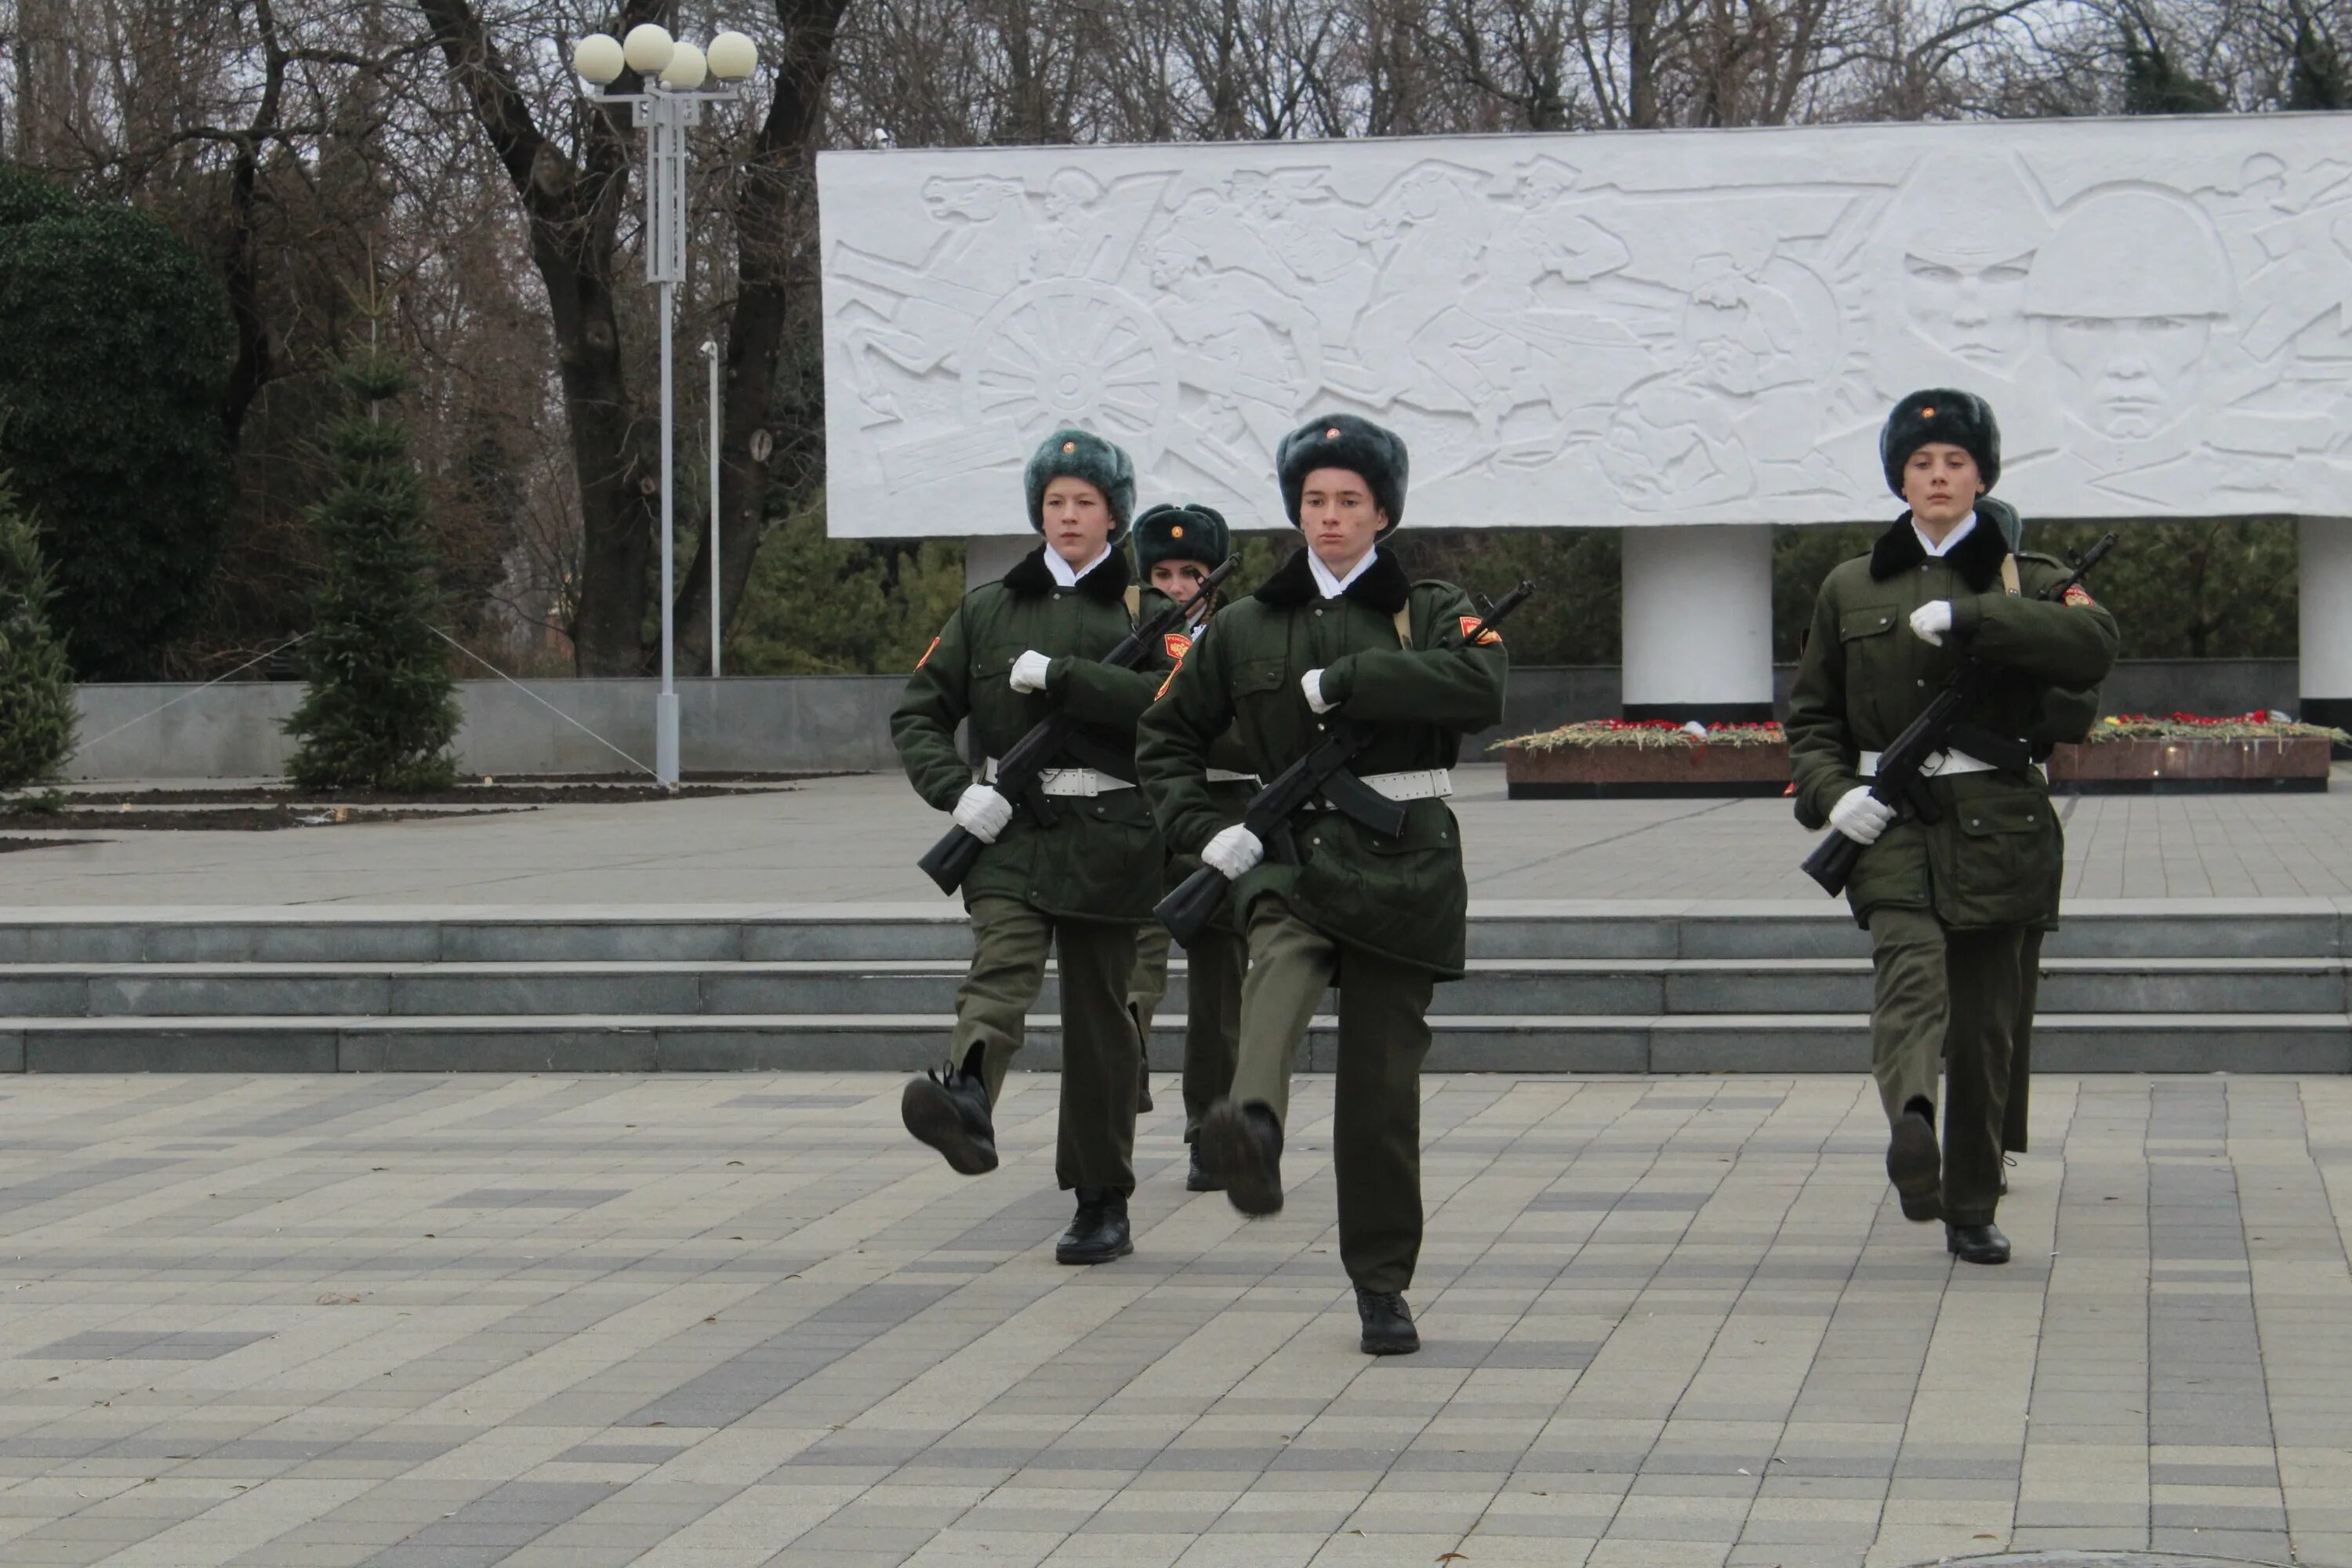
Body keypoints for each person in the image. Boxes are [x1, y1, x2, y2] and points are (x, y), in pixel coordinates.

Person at [1138, 413, 1508, 1352]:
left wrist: (1356, 679)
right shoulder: (1250, 624)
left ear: (1382, 510)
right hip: (1288, 849)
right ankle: (1249, 1125)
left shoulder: (1430, 607)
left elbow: (1481, 687)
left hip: (1405, 860)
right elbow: (1167, 737)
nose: (1331, 517)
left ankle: (1381, 1282)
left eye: (1349, 500)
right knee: (1279, 962)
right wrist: (1204, 828)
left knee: (1382, 1096)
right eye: (1314, 501)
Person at [1786, 390, 2118, 1265]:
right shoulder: (1851, 584)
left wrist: (1976, 617)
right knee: (1909, 980)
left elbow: (2096, 648)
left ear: (1982, 477)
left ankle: (1971, 1201)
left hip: (1999, 823)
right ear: (1900, 477)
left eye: (1956, 462)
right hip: (1890, 821)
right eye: (1922, 463)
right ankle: (1913, 1123)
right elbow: (1813, 715)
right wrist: (1830, 794)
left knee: (1983, 1026)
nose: (1938, 476)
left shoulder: (2029, 576)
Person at [891, 428, 1163, 1266]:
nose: (1068, 516)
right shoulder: (987, 609)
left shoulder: (1148, 612)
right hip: (1009, 828)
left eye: (1084, 501)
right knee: (1001, 962)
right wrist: (956, 788)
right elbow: (918, 711)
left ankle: (1100, 1197)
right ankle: (967, 1091)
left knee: (1099, 1024)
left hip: (1112, 840)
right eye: (1054, 502)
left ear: (1113, 513)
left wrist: (1073, 680)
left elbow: (1175, 705)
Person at [1121, 503, 1249, 1188]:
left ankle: (1209, 1128)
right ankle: (1132, 1053)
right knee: (1135, 957)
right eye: (1163, 574)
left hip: (1220, 819)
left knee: (1220, 991)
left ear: (1214, 580)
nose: (1176, 586)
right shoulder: (1124, 632)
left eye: (1190, 573)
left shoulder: (1242, 635)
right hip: (1144, 817)